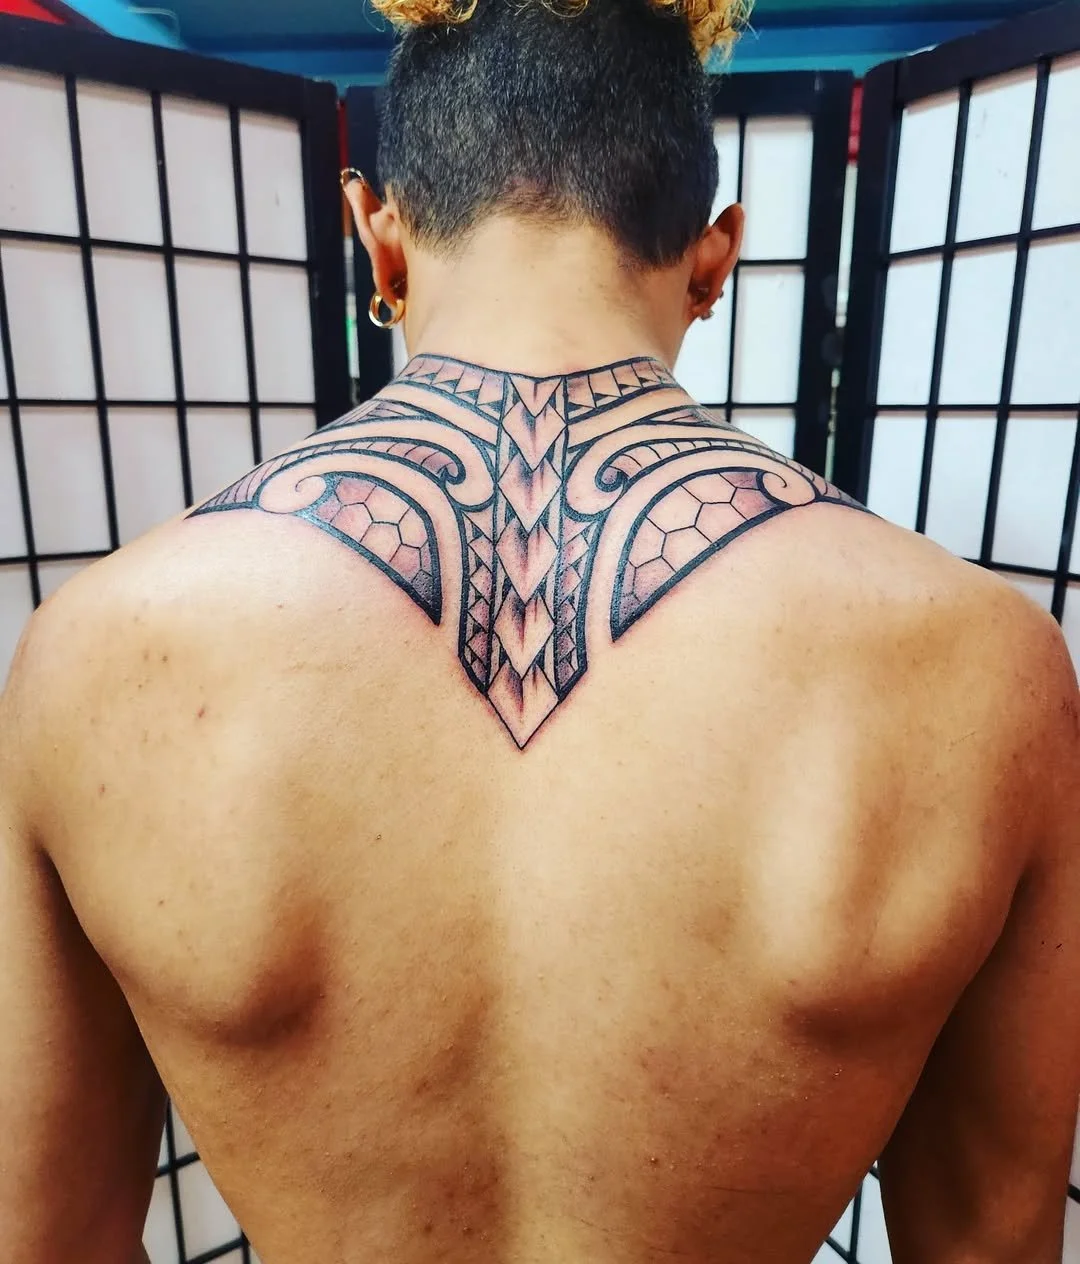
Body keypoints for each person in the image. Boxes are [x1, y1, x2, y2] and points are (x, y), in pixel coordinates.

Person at [1, 0, 1078, 1260]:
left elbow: (50, 1238)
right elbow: (992, 1245)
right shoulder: (983, 671)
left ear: (377, 239)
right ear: (717, 257)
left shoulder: (93, 660)